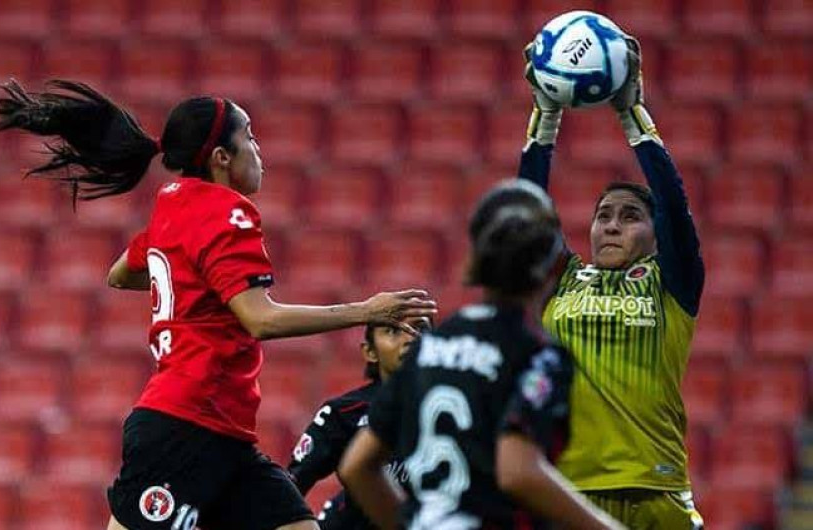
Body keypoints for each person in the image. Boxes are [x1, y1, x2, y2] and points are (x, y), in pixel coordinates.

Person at [0, 79, 437, 530]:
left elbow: (120, 272)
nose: (259, 149)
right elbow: (260, 319)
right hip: (185, 426)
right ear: (222, 158)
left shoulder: (174, 203)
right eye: (250, 137)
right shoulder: (228, 213)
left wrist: (187, 279)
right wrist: (368, 310)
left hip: (224, 433)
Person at [338, 179, 623, 529]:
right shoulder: (538, 354)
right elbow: (518, 472)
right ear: (553, 267)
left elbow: (357, 467)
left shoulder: (430, 345)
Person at [519, 35, 706, 528]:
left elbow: (675, 206)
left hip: (655, 487)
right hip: (568, 492)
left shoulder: (672, 284)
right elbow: (527, 209)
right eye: (604, 216)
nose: (613, 224)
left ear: (654, 232)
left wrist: (631, 114)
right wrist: (546, 118)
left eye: (630, 216)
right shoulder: (563, 278)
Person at [287, 316, 431, 529]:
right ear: (370, 352)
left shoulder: (464, 404)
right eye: (392, 331)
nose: (409, 339)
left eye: (419, 328)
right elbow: (291, 485)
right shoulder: (344, 413)